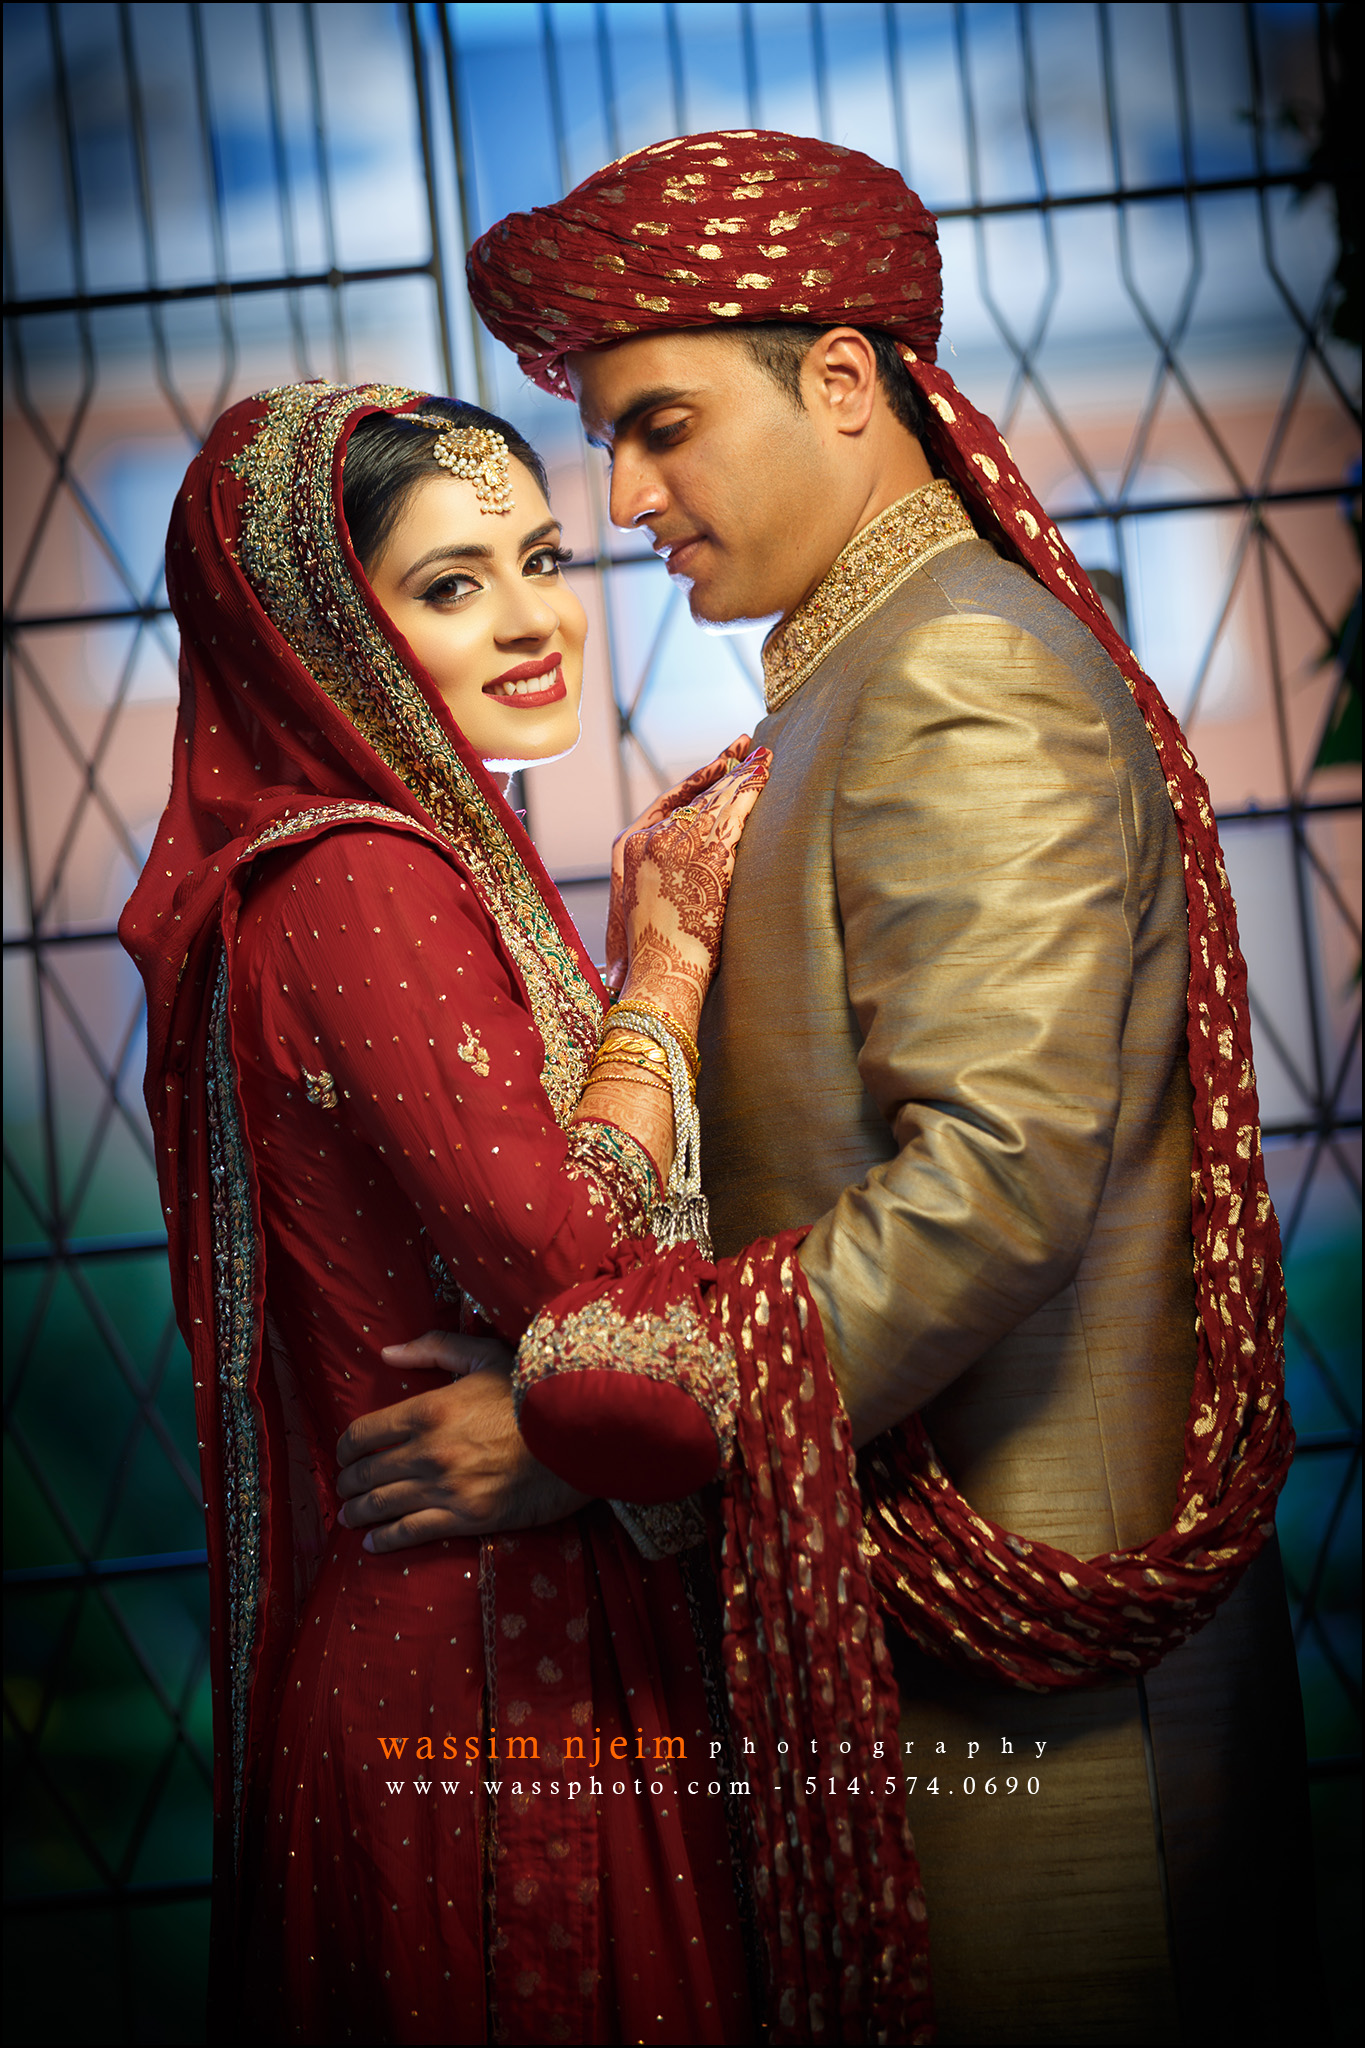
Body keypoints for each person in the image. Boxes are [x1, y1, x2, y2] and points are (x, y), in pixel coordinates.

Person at [339, 132, 1318, 2043]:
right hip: (906, 1653)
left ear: (847, 387)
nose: (622, 497)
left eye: (662, 425)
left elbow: (996, 1186)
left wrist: (583, 1427)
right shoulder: (853, 672)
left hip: (1043, 1704)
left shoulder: (959, 674)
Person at [119, 378, 773, 2045]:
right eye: (450, 585)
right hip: (485, 1667)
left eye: (538, 557)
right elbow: (573, 1266)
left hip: (474, 1628)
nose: (537, 617)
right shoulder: (357, 878)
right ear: (314, 639)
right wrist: (667, 979)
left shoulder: (352, 857)